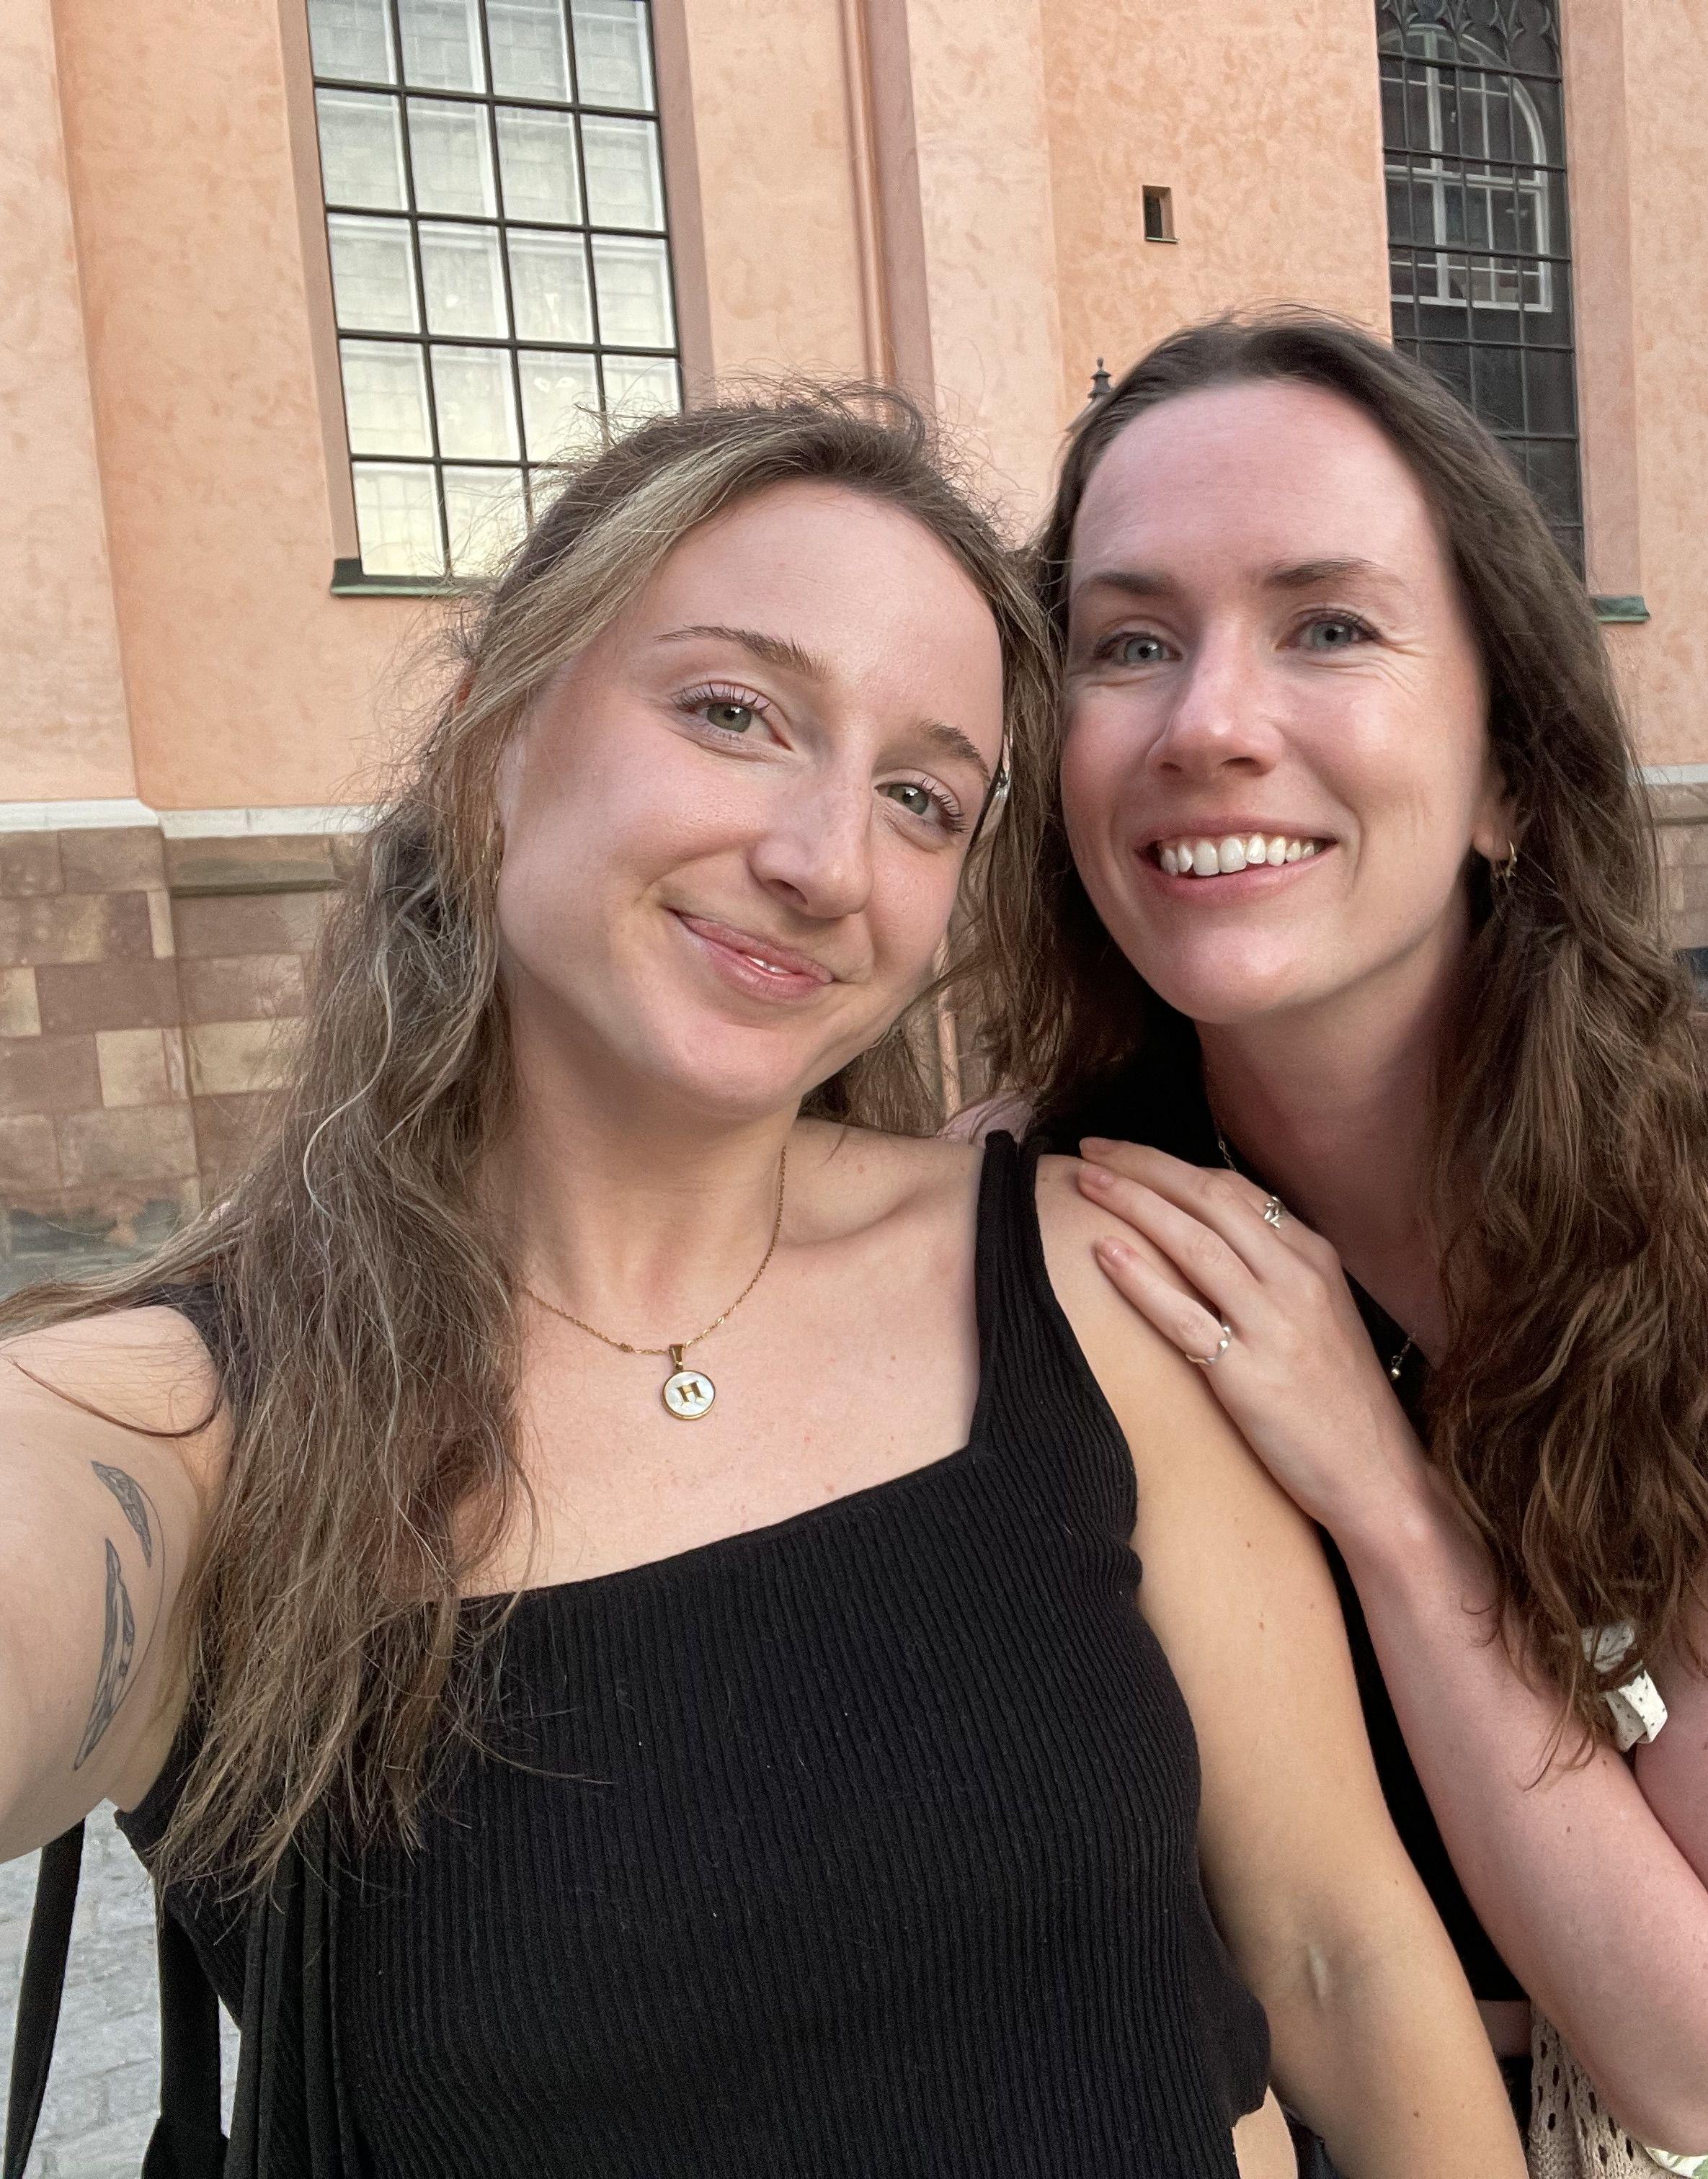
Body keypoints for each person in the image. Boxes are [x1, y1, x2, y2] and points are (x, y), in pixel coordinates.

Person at [0, 390, 1524, 2178]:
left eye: (921, 799)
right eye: (734, 713)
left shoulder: (1088, 1282)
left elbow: (1340, 1956)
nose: (823, 863)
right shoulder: (194, 1433)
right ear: (494, 740)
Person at [1000, 312, 1708, 2177]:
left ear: (1509, 770)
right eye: (1131, 642)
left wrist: (1383, 1496)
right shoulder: (1034, 1215)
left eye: (1329, 628)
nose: (1210, 723)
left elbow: (1698, 2057)